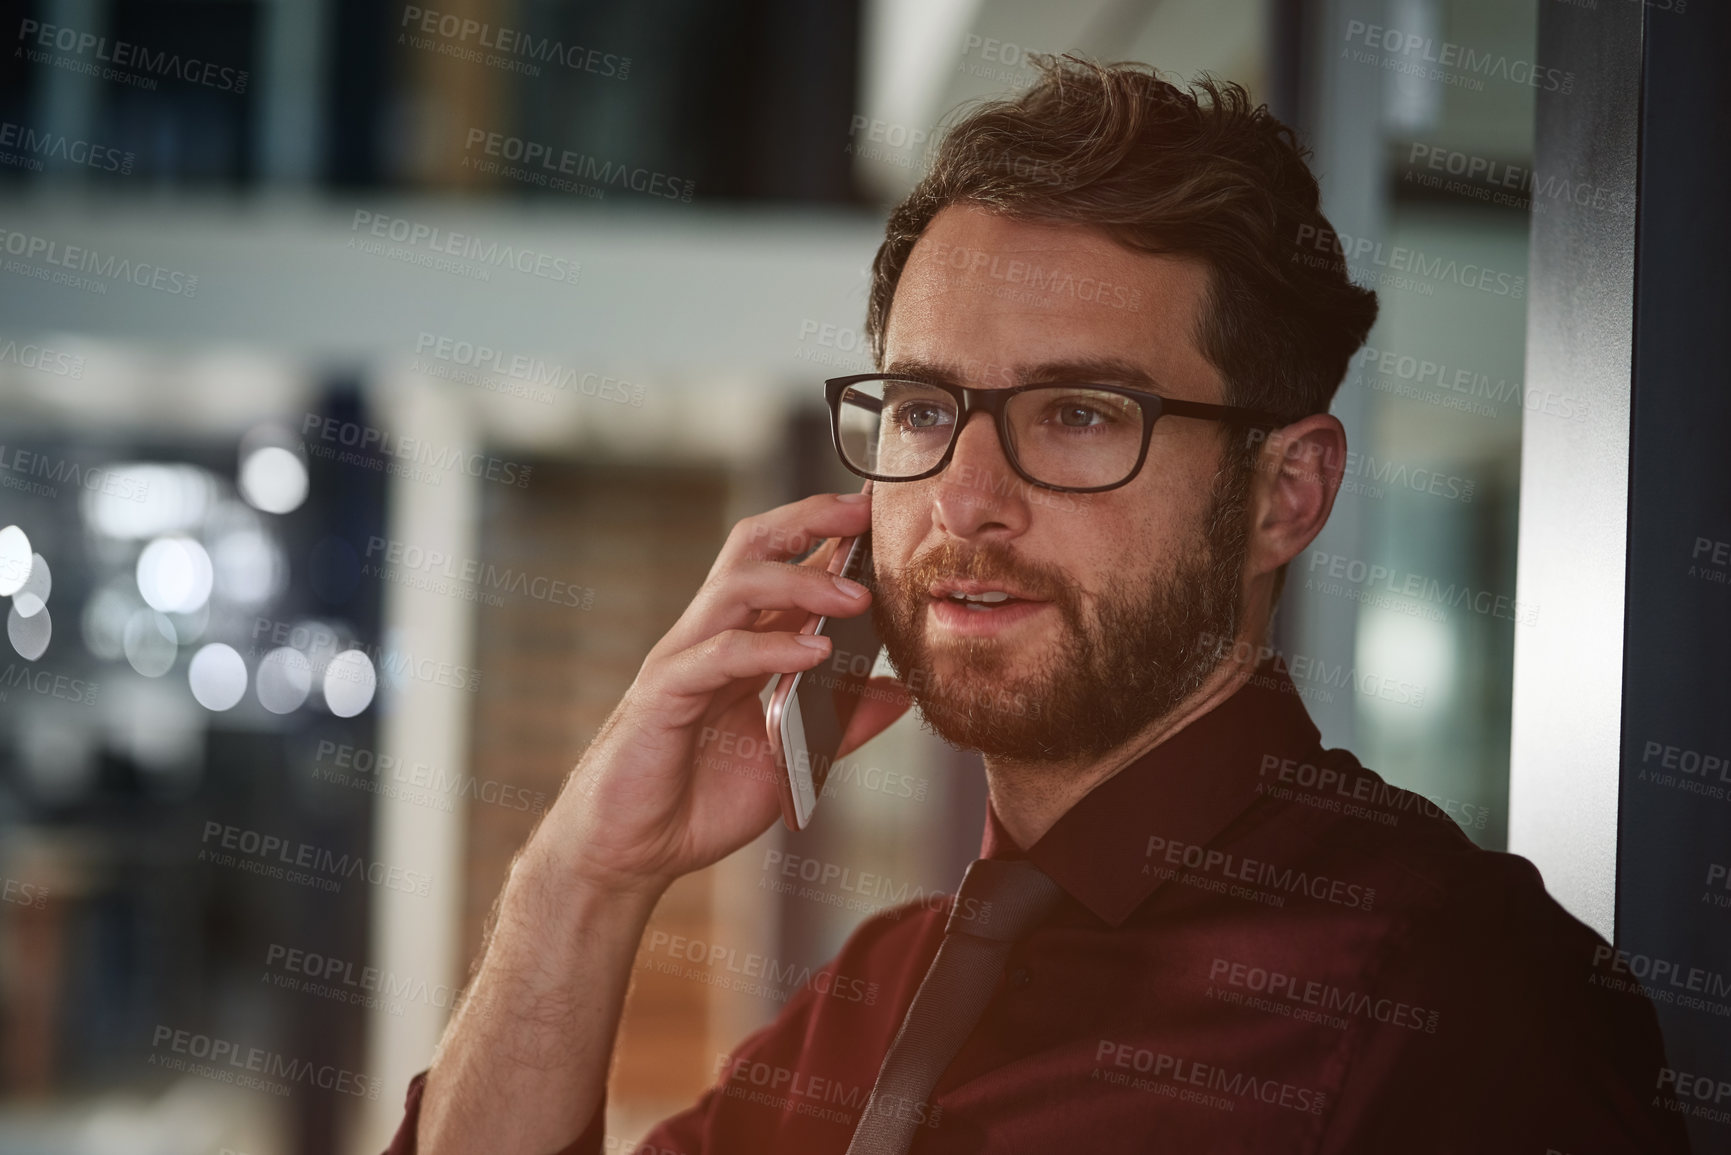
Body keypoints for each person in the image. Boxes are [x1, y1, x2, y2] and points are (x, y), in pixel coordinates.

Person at [391, 57, 1688, 1154]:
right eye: (924, 409)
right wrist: (584, 876)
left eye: (1078, 415)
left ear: (1286, 495)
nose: (964, 500)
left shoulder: (1452, 992)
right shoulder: (863, 1002)